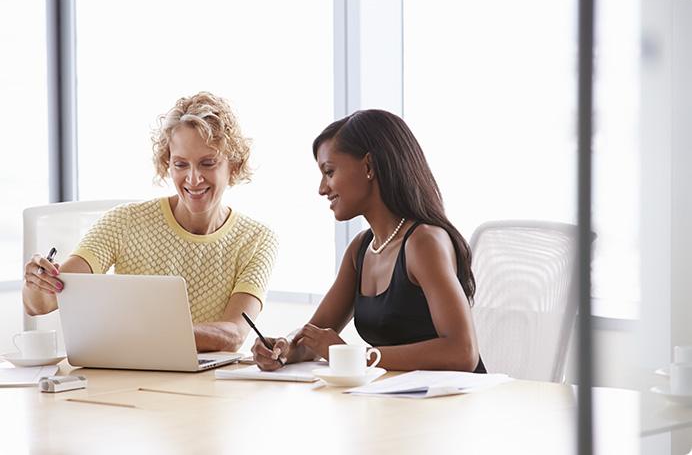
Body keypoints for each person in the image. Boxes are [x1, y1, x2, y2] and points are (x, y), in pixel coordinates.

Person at [22, 91, 278, 352]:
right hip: (129, 377)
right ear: (167, 164)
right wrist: (36, 282)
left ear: (233, 166)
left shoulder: (257, 239)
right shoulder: (124, 221)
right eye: (180, 164)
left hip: (208, 385)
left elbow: (233, 334)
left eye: (207, 163)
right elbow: (41, 304)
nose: (193, 178)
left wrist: (141, 334)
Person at [252, 109, 485, 372]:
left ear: (369, 166)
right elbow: (314, 338)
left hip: (452, 406)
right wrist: (285, 348)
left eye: (329, 172)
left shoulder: (424, 242)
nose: (321, 188)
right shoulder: (361, 249)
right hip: (397, 402)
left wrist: (353, 356)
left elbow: (462, 353)